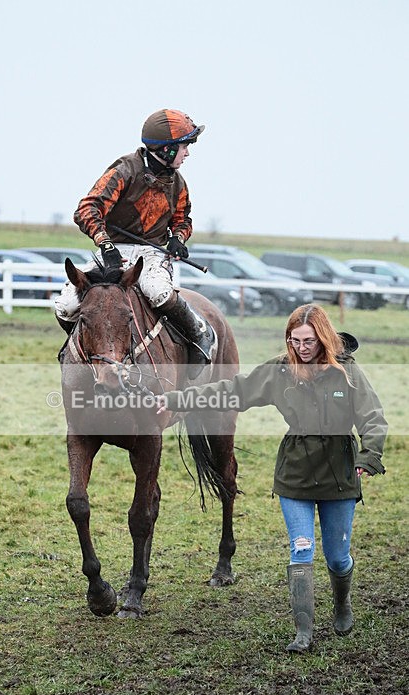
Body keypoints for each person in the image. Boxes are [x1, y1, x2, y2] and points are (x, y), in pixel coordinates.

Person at [156, 304, 387, 653]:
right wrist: (176, 399)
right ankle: (303, 631)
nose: (301, 348)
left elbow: (373, 417)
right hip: (295, 471)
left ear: (323, 337)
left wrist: (369, 455)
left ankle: (342, 604)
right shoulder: (280, 371)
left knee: (338, 557)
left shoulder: (347, 373)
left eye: (308, 341)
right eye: (294, 341)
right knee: (301, 549)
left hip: (340, 473)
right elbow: (231, 390)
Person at [54, 108, 215, 372]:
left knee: (158, 293)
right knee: (66, 306)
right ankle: (80, 353)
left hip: (151, 255)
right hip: (112, 251)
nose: (188, 154)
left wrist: (178, 238)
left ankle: (198, 333)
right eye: (185, 147)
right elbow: (86, 210)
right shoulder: (124, 170)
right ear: (167, 149)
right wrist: (105, 244)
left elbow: (183, 220)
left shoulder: (179, 182)